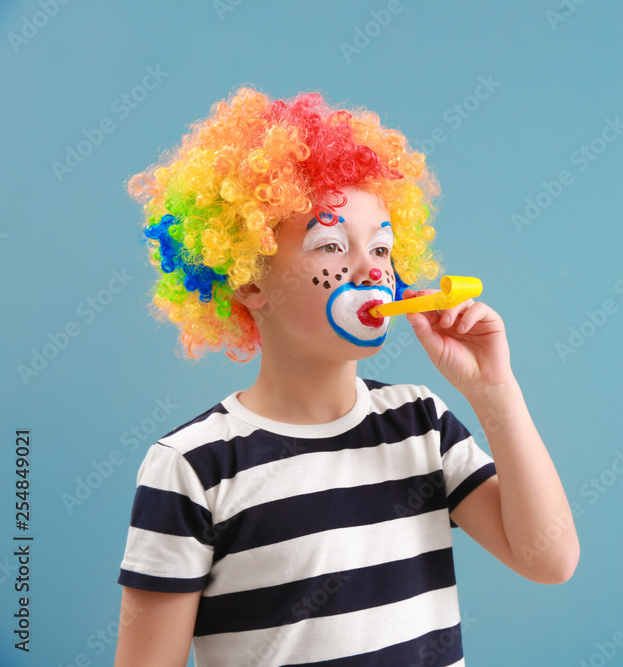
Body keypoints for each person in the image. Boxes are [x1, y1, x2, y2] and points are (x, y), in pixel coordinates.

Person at [113, 87, 579, 666]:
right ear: (250, 280)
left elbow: (549, 559)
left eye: (382, 248)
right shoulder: (193, 467)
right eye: (332, 244)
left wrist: (493, 392)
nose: (371, 269)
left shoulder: (421, 424)